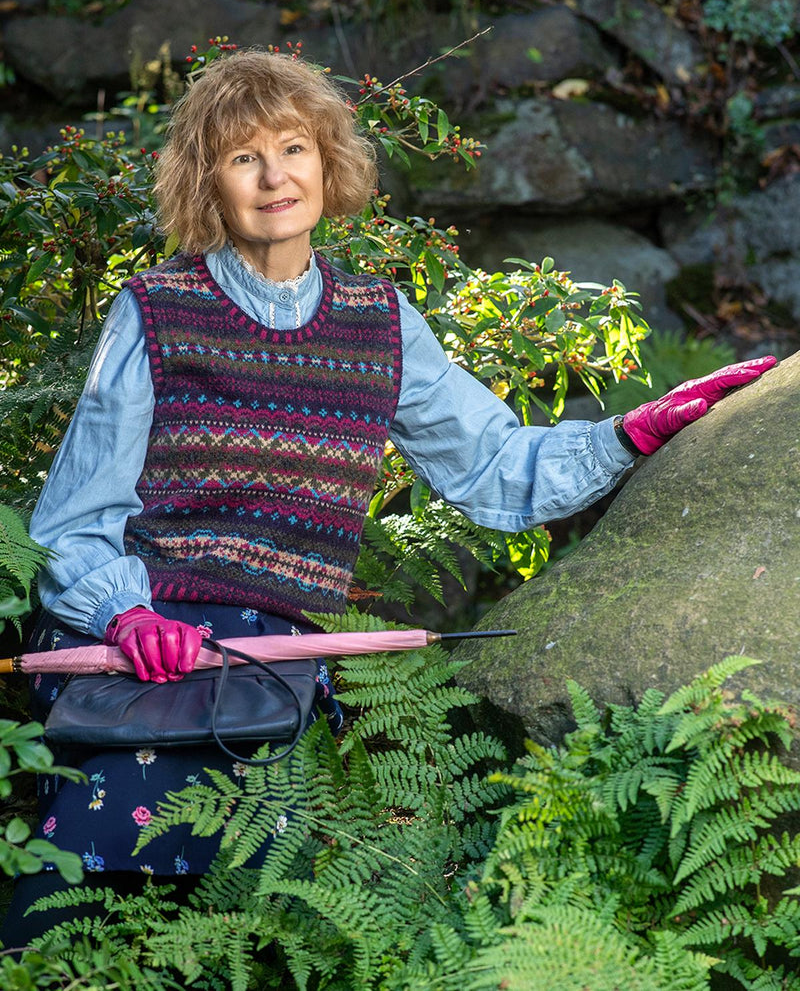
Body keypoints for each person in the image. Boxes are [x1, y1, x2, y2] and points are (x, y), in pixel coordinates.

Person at [0, 49, 775, 947]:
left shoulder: (381, 321)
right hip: (144, 658)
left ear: (329, 163)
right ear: (207, 181)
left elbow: (490, 466)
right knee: (72, 893)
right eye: (243, 156)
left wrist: (632, 432)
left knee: (263, 926)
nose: (274, 175)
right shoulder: (155, 310)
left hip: (277, 669)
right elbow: (68, 525)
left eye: (293, 147)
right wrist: (127, 617)